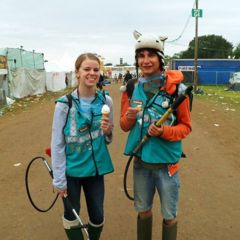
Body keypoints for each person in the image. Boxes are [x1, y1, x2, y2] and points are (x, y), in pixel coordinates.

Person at [120, 31, 192, 240]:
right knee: (143, 211)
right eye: (141, 56)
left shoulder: (178, 90)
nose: (145, 60)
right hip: (141, 162)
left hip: (167, 165)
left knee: (169, 215)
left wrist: (164, 131)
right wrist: (131, 117)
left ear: (160, 59)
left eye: (150, 55)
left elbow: (186, 127)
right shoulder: (131, 88)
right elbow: (124, 126)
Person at [51, 53, 114, 240]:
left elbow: (108, 139)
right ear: (77, 72)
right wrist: (59, 179)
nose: (92, 73)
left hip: (95, 171)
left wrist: (108, 131)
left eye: (96, 69)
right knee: (72, 215)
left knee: (97, 214)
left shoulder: (106, 101)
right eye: (86, 69)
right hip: (71, 172)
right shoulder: (64, 105)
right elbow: (57, 144)